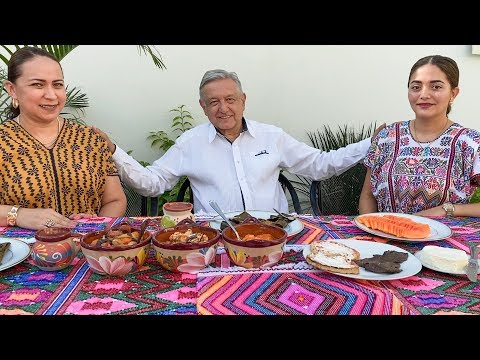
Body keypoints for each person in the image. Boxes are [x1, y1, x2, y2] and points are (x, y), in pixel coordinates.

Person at [96, 69, 383, 214]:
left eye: (230, 99)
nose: (223, 108)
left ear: (243, 101)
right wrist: (113, 150)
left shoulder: (272, 136)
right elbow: (152, 183)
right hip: (217, 240)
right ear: (203, 106)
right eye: (214, 102)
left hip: (275, 236)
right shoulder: (190, 143)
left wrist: (372, 142)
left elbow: (321, 165)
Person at [0, 46, 126, 230]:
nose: (51, 95)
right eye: (38, 84)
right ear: (12, 90)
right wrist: (18, 215)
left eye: (57, 84)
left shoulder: (90, 140)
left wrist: (95, 226)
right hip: (19, 254)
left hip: (85, 252)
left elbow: (115, 200)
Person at [359, 55, 480, 217]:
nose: (424, 94)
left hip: (443, 241)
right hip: (386, 236)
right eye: (416, 87)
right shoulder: (387, 137)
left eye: (436, 87)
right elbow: (368, 196)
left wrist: (448, 209)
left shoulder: (470, 143)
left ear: (453, 94)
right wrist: (371, 233)